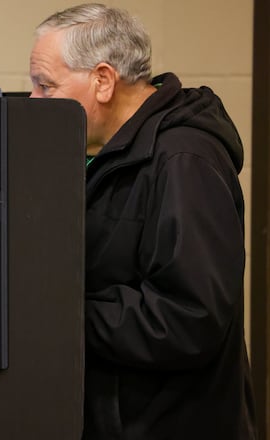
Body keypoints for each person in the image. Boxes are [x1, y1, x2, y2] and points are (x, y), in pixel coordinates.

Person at [29, 3, 256, 439]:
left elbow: (190, 317)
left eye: (45, 86)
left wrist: (60, 318)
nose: (35, 102)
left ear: (102, 80)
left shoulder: (184, 161)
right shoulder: (108, 151)